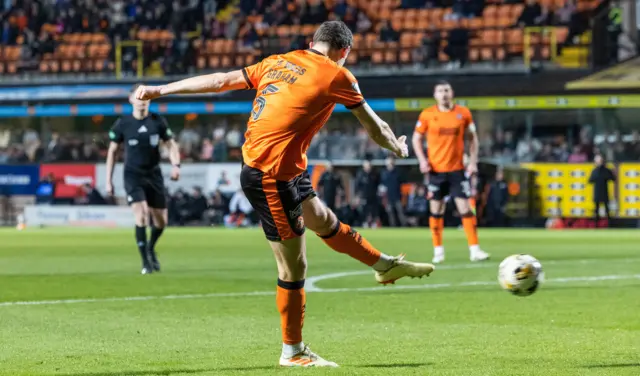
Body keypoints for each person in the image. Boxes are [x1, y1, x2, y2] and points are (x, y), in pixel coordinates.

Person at [135, 21, 434, 368]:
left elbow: (218, 81)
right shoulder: (338, 75)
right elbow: (374, 126)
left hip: (286, 170)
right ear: (345, 52)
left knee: (324, 221)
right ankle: (292, 351)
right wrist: (397, 147)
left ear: (312, 43)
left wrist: (160, 90)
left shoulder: (277, 61)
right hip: (270, 177)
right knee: (294, 267)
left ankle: (384, 267)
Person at [105, 84, 181, 274]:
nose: (142, 100)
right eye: (138, 97)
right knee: (141, 214)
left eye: (145, 96)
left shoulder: (157, 121)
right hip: (133, 175)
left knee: (161, 221)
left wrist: (175, 165)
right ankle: (145, 262)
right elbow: (112, 152)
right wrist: (108, 180)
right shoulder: (123, 123)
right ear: (131, 100)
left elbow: (171, 145)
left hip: (154, 174)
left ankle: (150, 247)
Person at [412, 81, 489, 264]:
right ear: (435, 95)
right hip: (436, 171)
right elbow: (416, 139)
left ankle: (475, 250)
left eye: (446, 90)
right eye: (440, 91)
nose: (444, 94)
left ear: (452, 93)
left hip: (457, 170)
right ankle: (438, 251)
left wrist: (473, 161)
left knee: (465, 209)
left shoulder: (463, 114)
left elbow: (473, 139)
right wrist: (422, 160)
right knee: (436, 210)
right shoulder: (427, 115)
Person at [588, 154, 616, 226]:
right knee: (596, 209)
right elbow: (590, 180)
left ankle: (610, 225)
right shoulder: (595, 171)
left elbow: (613, 178)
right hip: (597, 192)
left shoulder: (606, 170)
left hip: (604, 192)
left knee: (607, 209)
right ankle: (596, 225)